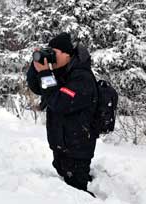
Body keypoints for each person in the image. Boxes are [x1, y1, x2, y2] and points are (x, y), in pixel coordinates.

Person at [26, 32, 98, 197]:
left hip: (78, 148)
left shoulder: (81, 77)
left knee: (78, 195)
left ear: (67, 54)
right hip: (61, 144)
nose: (51, 56)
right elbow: (38, 87)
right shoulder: (62, 73)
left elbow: (59, 102)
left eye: (54, 52)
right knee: (64, 191)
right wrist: (35, 66)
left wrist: (45, 74)